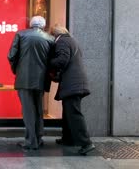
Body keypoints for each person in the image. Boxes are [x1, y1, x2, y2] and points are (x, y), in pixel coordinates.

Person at [7, 16, 54, 150]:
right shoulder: (50, 39)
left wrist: (17, 70)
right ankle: (38, 138)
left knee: (28, 111)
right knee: (38, 109)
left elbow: (11, 56)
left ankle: (30, 141)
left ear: (31, 24)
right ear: (43, 25)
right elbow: (51, 61)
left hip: (24, 79)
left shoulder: (21, 34)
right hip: (41, 79)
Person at [49, 24, 95, 155]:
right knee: (68, 112)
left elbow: (62, 60)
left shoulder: (62, 41)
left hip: (73, 84)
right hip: (76, 83)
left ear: (54, 34)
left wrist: (48, 63)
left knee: (74, 114)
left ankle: (86, 143)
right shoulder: (72, 40)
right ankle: (68, 139)